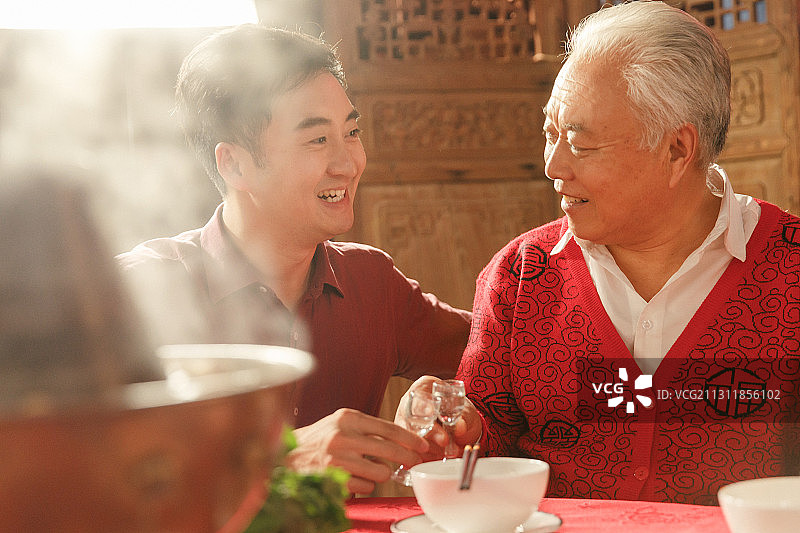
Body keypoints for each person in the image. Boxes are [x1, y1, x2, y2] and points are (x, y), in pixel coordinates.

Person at [446, 1, 800, 505]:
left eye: (581, 143)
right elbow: (477, 454)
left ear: (678, 150)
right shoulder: (522, 275)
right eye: (550, 133)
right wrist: (450, 433)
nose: (553, 165)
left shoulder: (790, 269)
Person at [117, 24, 471, 495]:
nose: (348, 163)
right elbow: (88, 465)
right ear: (234, 164)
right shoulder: (141, 290)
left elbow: (498, 358)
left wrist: (445, 404)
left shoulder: (372, 283)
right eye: (317, 140)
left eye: (352, 132)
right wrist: (280, 457)